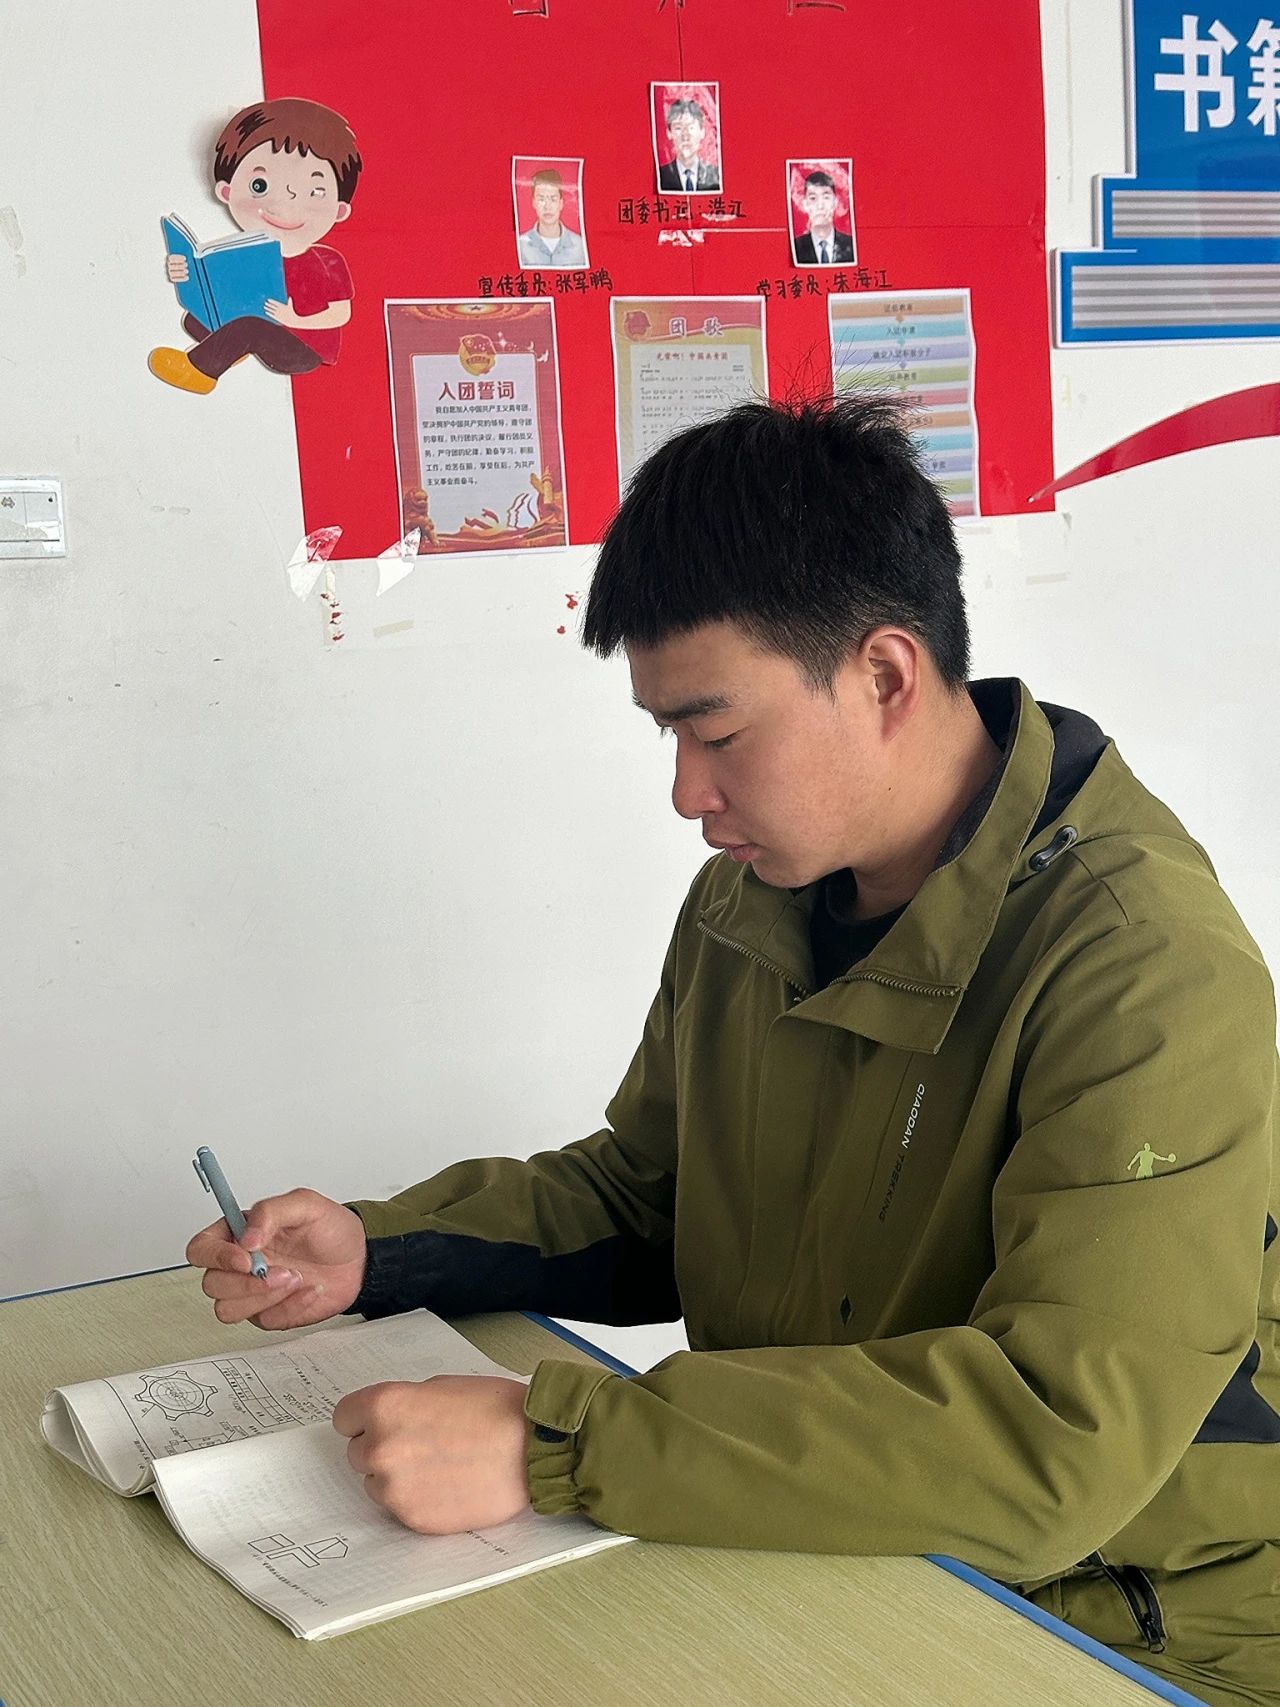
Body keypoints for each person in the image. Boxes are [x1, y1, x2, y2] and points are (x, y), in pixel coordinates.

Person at [188, 397, 1280, 1707]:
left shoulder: (1142, 966)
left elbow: (1054, 1442)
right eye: (668, 735)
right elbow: (651, 1196)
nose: (686, 792)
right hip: (827, 1548)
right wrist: (382, 1249)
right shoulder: (752, 904)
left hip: (1122, 1623)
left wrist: (558, 1445)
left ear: (885, 676)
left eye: (717, 732)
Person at [149, 98, 361, 394]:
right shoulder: (252, 254)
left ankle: (200, 370)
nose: (285, 204)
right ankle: (232, 348)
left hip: (303, 346)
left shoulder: (327, 261)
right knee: (194, 319)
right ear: (226, 191)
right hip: (263, 331)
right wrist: (185, 272)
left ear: (339, 210)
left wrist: (295, 319)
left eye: (315, 191)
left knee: (248, 326)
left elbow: (341, 314)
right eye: (259, 186)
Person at [516, 168, 587, 269]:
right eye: (541, 199)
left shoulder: (580, 246)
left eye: (553, 199)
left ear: (561, 203)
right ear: (534, 202)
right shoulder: (521, 245)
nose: (547, 206)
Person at [792, 169, 855, 265]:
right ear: (805, 204)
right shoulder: (795, 247)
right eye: (813, 198)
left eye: (826, 197)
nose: (820, 206)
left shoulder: (851, 245)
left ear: (835, 202)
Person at [657, 97, 721, 192]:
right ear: (669, 133)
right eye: (678, 128)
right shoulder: (660, 176)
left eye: (691, 127)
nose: (685, 136)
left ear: (702, 131)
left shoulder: (716, 176)